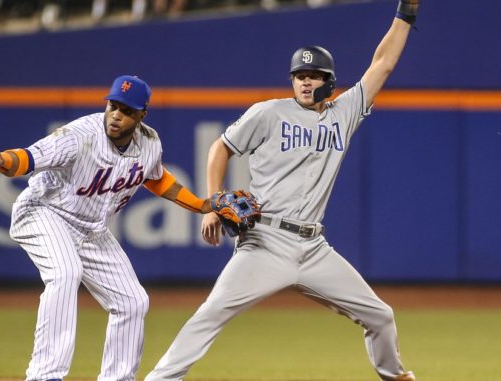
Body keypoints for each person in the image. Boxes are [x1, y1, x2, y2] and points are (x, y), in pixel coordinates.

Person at [144, 1, 420, 380]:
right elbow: (219, 148)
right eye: (299, 75)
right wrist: (211, 203)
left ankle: (396, 376)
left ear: (329, 80)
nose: (305, 81)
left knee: (380, 316)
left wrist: (406, 12)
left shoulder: (345, 112)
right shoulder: (268, 112)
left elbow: (383, 63)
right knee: (212, 311)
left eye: (314, 75)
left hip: (314, 248)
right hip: (265, 241)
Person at [0, 75, 216, 381]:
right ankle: (44, 375)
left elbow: (156, 178)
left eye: (127, 110)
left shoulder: (149, 142)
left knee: (132, 301)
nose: (116, 115)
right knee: (65, 272)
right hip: (44, 211)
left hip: (91, 230)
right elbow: (29, 158)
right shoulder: (80, 135)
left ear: (142, 115)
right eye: (113, 105)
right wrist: (2, 160)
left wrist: (200, 205)